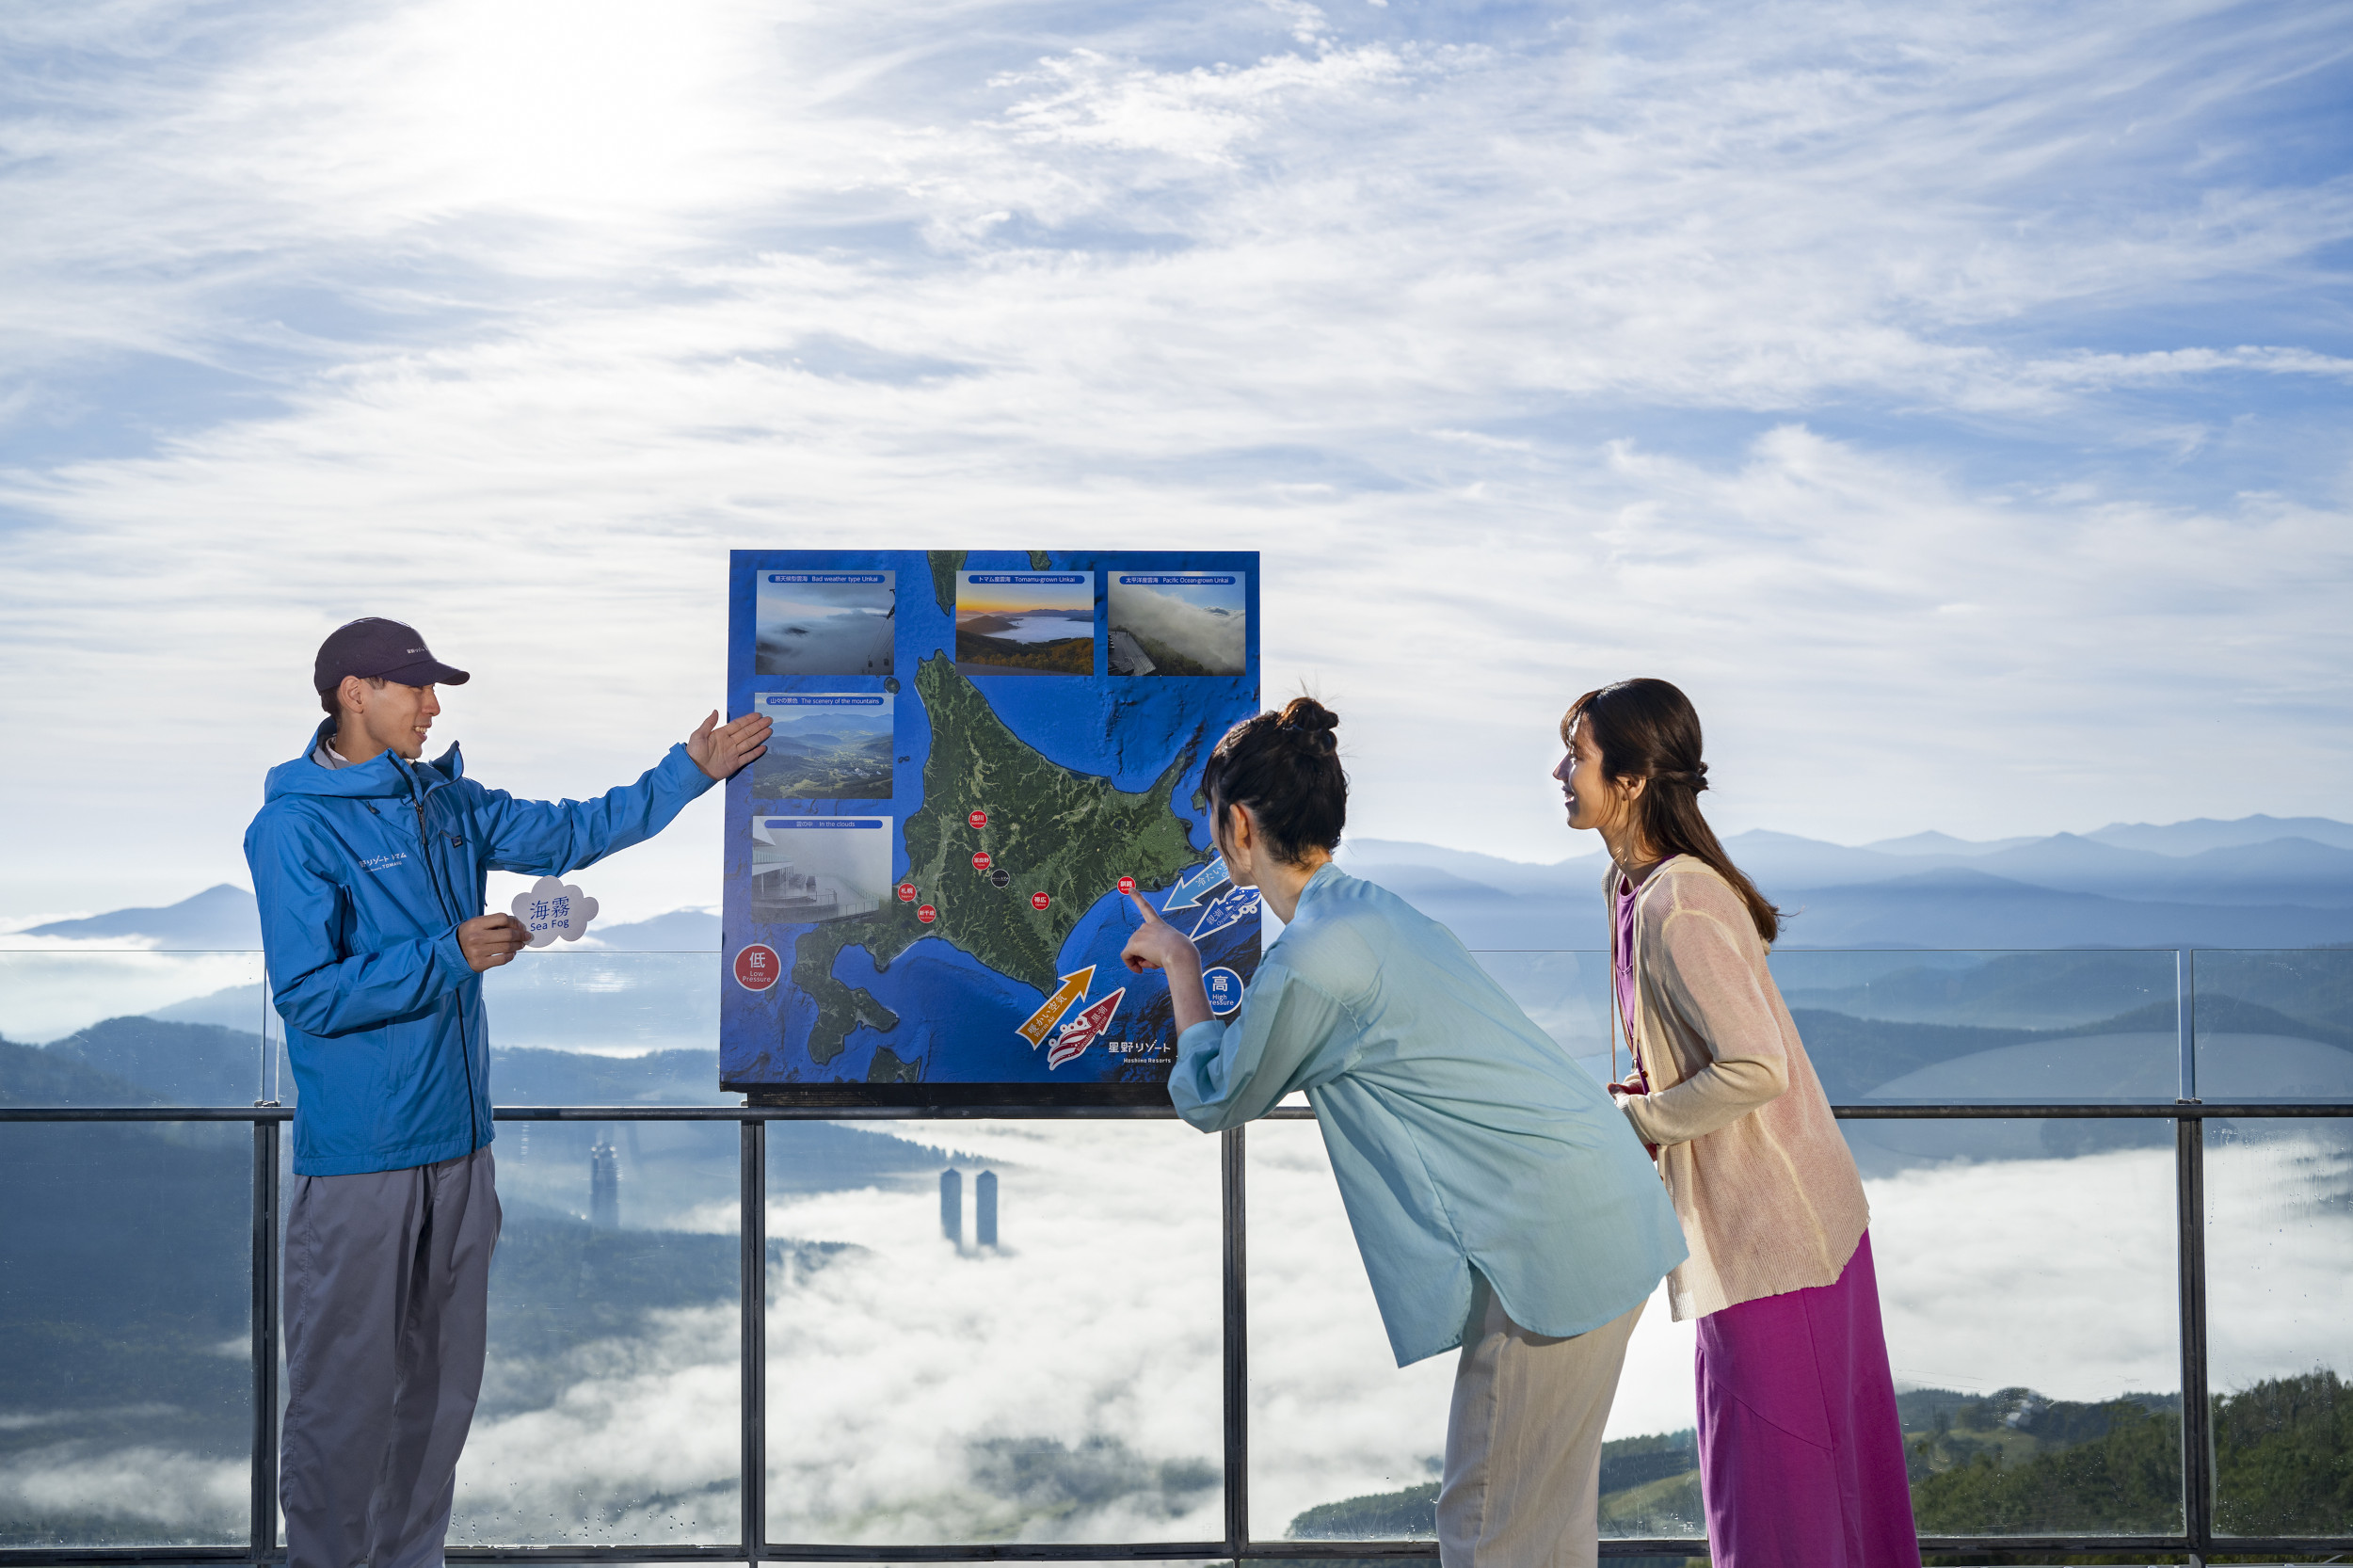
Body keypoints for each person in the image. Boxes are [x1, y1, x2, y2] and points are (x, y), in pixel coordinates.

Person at [243, 616, 769, 1568]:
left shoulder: (448, 804)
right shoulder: (294, 824)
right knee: (342, 1397)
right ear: (353, 693)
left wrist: (690, 770)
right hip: (362, 1157)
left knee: (438, 1398)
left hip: (460, 1149)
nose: (433, 707)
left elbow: (574, 828)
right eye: (416, 689)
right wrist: (448, 954)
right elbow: (308, 997)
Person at [1122, 696, 1686, 1568]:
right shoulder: (1369, 911)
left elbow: (1215, 1095)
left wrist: (1181, 962)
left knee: (1489, 1520)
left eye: (1210, 820)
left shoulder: (1313, 960)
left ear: (1239, 825)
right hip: (1598, 1204)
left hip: (1551, 1240)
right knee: (1544, 1515)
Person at [1553, 679, 1918, 1567]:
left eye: (1579, 755)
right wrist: (1637, 1098)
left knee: (1783, 1496)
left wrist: (1641, 1122)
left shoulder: (1682, 899)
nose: (1562, 772)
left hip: (1781, 1239)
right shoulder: (1629, 886)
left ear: (1633, 779)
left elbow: (1756, 1067)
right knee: (1768, 1487)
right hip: (1746, 1233)